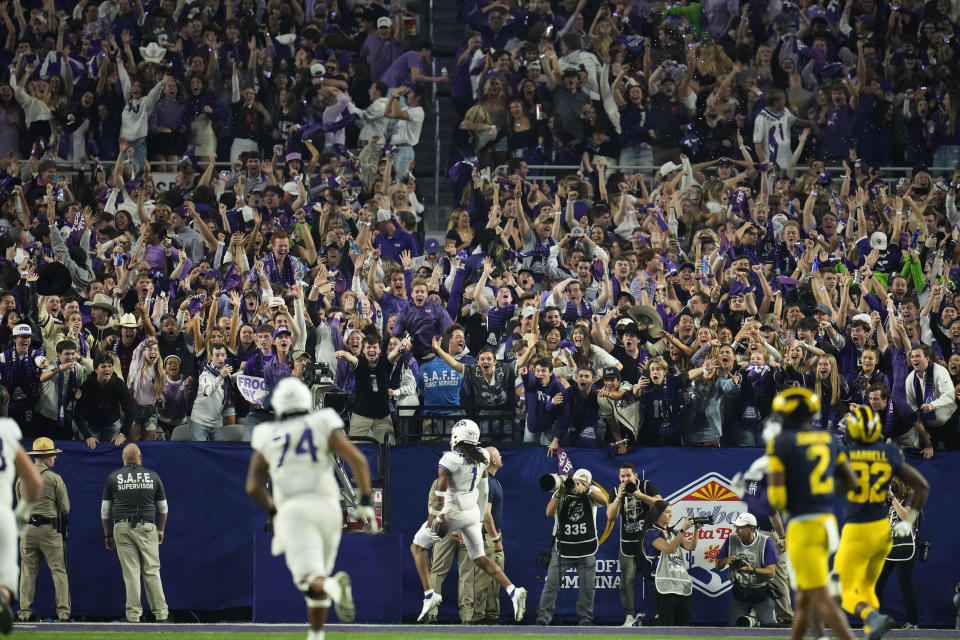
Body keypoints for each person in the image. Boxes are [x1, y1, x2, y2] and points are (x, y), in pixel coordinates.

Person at [247, 377, 377, 637]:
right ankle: (316, 635)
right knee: (317, 579)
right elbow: (359, 461)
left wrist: (275, 511)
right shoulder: (323, 420)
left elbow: (253, 487)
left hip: (294, 510)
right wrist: (364, 503)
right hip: (329, 508)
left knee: (310, 578)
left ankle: (334, 587)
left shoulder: (267, 433)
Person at [410, 420, 527, 623]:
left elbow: (439, 497)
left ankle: (430, 595)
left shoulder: (450, 460)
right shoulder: (482, 457)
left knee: (417, 547)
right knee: (480, 559)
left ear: (456, 435)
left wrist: (431, 521)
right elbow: (483, 491)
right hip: (472, 515)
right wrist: (480, 518)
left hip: (450, 515)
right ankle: (513, 591)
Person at [765, 388, 857, 640]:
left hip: (804, 526)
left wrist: (800, 498)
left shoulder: (782, 443)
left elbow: (776, 498)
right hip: (826, 522)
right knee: (805, 596)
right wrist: (823, 497)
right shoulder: (829, 440)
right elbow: (850, 481)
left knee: (820, 596)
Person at [833, 406, 930, 640]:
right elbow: (923, 487)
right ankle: (872, 628)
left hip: (858, 529)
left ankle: (871, 617)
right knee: (870, 586)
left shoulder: (844, 455)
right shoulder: (888, 453)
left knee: (843, 587)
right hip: (881, 533)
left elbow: (833, 490)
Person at [101, 444, 170, 623]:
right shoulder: (153, 476)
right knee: (152, 570)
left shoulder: (113, 477)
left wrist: (108, 535)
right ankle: (161, 614)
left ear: (123, 458)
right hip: (147, 527)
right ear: (140, 457)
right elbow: (163, 508)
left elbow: (104, 511)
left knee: (131, 572)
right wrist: (160, 530)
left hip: (121, 528)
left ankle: (133, 615)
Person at [536, 468, 608, 626]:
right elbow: (549, 512)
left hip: (586, 548)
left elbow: (604, 501)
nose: (578, 484)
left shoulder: (592, 491)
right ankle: (543, 617)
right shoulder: (562, 491)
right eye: (577, 480)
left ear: (589, 482)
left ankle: (585, 618)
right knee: (551, 585)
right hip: (563, 548)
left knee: (587, 588)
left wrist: (586, 489)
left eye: (583, 481)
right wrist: (560, 493)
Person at [16, 438, 71, 623]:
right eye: (53, 454)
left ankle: (24, 612)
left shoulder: (22, 478)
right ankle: (63, 614)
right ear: (46, 456)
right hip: (49, 530)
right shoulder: (54, 478)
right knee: (58, 571)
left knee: (27, 571)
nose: (55, 457)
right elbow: (65, 508)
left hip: (27, 530)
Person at [0, 417, 43, 634]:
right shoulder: (6, 430)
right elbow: (34, 483)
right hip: (3, 514)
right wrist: (20, 516)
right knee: (5, 584)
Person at [606, 461, 661, 627]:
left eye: (628, 475)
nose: (625, 479)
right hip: (627, 543)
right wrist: (618, 498)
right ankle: (629, 616)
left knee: (655, 578)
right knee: (626, 580)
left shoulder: (645, 485)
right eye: (622, 476)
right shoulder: (616, 491)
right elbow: (610, 516)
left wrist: (640, 496)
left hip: (648, 542)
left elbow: (661, 504)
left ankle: (658, 614)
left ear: (635, 476)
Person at [335, 335, 410, 444]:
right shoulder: (359, 362)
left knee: (388, 449)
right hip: (361, 414)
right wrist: (344, 353)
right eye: (368, 347)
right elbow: (351, 358)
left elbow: (395, 352)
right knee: (354, 448)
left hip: (382, 416)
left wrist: (403, 342)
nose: (371, 350)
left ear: (379, 350)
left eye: (374, 347)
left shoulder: (385, 361)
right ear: (363, 350)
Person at [640, 500, 700, 625]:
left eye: (671, 512)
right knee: (666, 624)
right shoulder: (651, 533)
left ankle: (645, 624)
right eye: (667, 512)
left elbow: (691, 547)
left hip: (680, 581)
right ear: (657, 514)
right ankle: (643, 624)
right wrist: (683, 529)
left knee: (683, 624)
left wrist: (696, 530)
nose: (671, 515)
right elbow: (669, 549)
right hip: (664, 582)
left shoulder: (673, 533)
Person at [715, 513, 779, 626]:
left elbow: (771, 572)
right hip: (740, 591)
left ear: (752, 528)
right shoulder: (731, 539)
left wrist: (752, 569)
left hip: (761, 592)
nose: (737, 531)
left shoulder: (765, 542)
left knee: (768, 628)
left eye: (741, 528)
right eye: (736, 527)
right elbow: (718, 566)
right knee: (735, 628)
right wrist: (726, 560)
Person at [472, 446, 505, 624]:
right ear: (493, 461)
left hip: (493, 536)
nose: (501, 457)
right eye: (498, 455)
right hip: (487, 538)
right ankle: (477, 618)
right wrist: (495, 539)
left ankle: (492, 617)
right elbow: (486, 515)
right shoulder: (487, 484)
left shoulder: (495, 482)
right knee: (484, 580)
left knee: (495, 581)